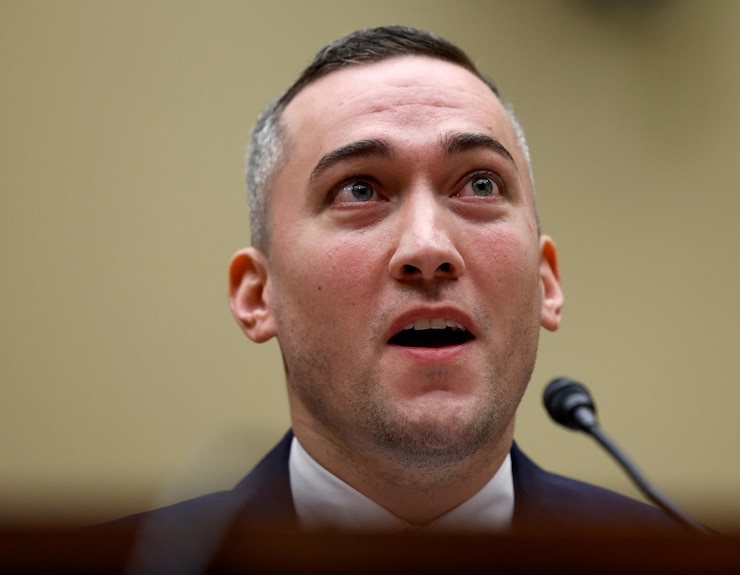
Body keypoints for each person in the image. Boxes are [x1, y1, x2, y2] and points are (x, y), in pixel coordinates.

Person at [113, 27, 685, 560]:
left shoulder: (684, 562)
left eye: (479, 185)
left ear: (545, 283)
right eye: (359, 189)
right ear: (258, 296)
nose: (428, 248)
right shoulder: (141, 564)